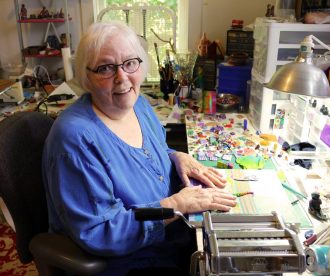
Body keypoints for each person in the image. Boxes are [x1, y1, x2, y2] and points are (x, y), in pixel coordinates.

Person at [42, 21, 237, 276]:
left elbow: (148, 156)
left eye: (130, 63)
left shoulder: (139, 105)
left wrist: (177, 156)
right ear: (87, 76)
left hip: (175, 238)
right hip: (132, 263)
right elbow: (101, 232)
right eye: (105, 68)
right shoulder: (75, 139)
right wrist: (176, 204)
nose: (122, 78)